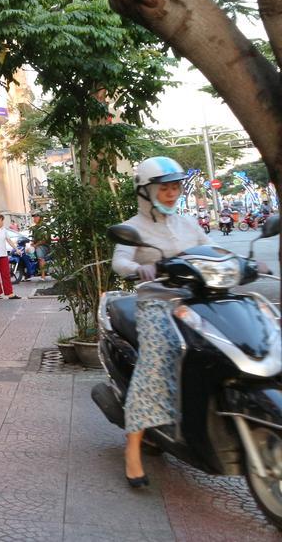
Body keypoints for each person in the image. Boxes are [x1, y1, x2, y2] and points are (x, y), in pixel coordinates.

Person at [111, 156, 209, 488]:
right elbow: (120, 261)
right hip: (155, 303)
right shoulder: (134, 227)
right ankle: (133, 447)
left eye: (175, 187)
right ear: (146, 191)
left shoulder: (187, 224)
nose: (171, 194)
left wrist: (247, 263)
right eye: (164, 188)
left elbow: (212, 250)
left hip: (196, 301)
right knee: (160, 354)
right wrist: (139, 268)